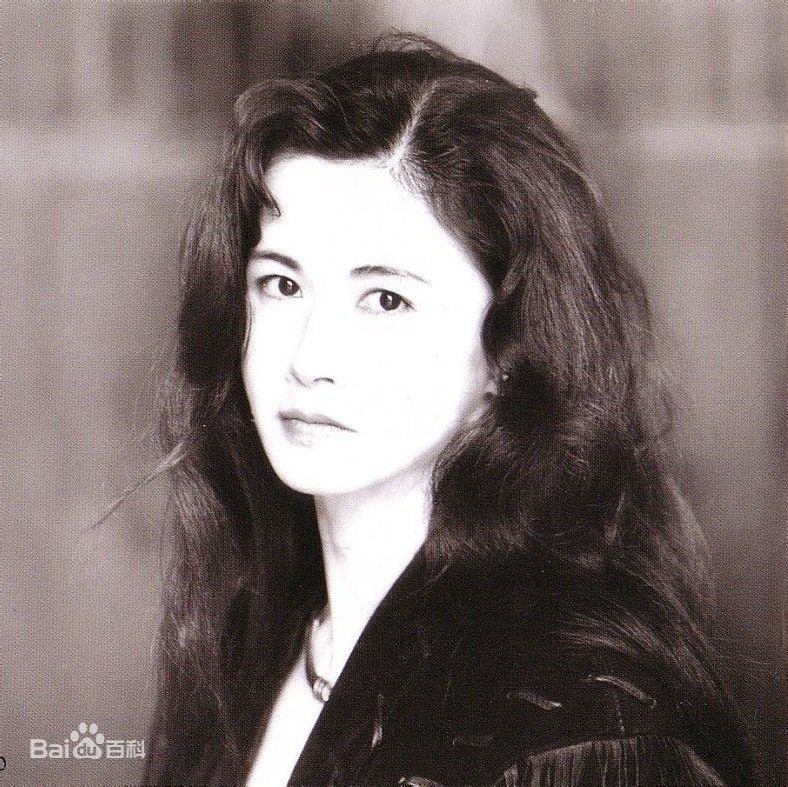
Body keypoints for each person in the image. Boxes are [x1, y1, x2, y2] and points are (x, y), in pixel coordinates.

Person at [142, 36, 756, 786]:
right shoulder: (251, 634)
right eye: (282, 284)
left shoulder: (574, 729)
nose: (308, 358)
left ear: (508, 355)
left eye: (386, 299)